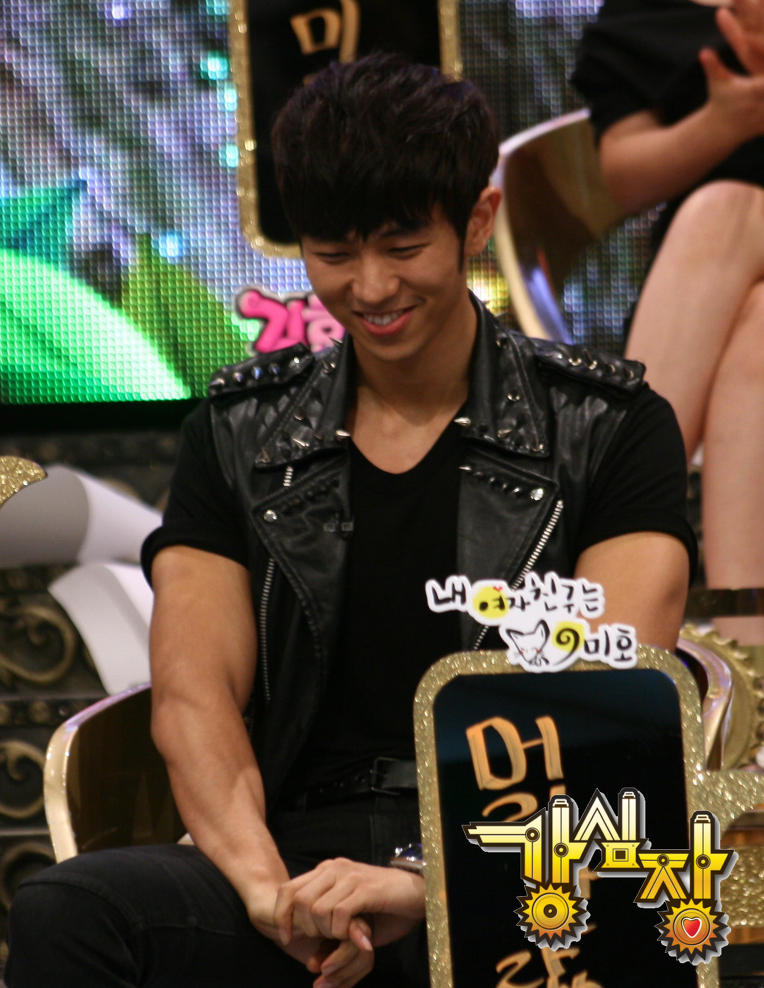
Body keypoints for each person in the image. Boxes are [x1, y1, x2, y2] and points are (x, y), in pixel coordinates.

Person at [6, 53, 696, 987]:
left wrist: (425, 882)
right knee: (73, 912)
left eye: (403, 247)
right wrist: (268, 894)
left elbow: (606, 708)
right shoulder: (239, 433)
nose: (370, 288)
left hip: (523, 859)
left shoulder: (607, 425)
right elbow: (193, 696)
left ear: (477, 221)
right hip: (298, 859)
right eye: (334, 254)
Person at [572, 0, 764, 642]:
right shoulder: (639, 17)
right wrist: (722, 123)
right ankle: (752, 659)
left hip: (715, 246)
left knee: (724, 209)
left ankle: (600, 547)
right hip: (718, 290)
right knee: (758, 331)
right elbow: (624, 178)